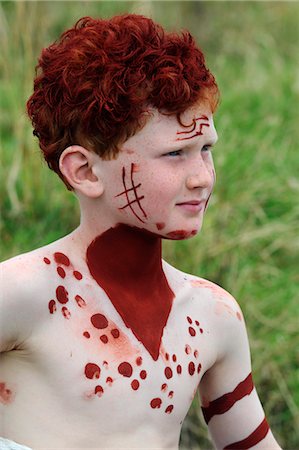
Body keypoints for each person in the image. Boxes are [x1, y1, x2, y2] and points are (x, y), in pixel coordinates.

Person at [0, 14, 281, 450]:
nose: (201, 177)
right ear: (85, 170)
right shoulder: (25, 293)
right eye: (174, 154)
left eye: (205, 149)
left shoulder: (212, 316)